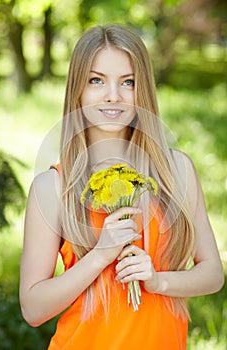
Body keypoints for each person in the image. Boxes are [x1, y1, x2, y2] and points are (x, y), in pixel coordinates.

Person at [20, 24, 224, 349]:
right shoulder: (53, 187)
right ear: (78, 90)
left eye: (127, 82)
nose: (112, 95)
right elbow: (33, 308)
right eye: (96, 80)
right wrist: (101, 254)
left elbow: (213, 274)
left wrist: (157, 281)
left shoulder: (177, 171)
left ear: (142, 90)